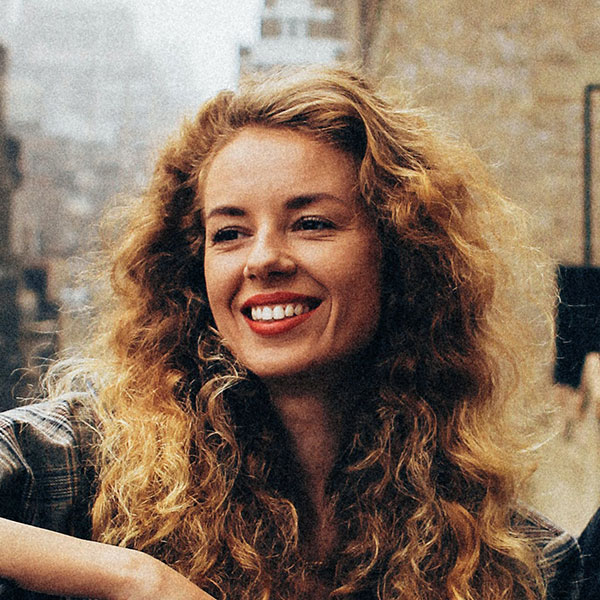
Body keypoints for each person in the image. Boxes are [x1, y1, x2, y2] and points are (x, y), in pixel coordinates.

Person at [0, 66, 582, 600]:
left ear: (401, 252)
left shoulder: (519, 561)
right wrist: (136, 580)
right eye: (229, 233)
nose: (263, 259)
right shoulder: (81, 465)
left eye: (311, 223)